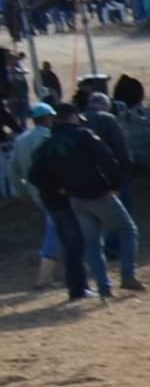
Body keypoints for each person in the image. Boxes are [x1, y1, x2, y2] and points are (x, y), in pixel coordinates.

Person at [27, 99, 118, 302]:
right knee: (75, 244)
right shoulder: (63, 141)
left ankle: (76, 286)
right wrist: (62, 188)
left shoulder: (44, 145)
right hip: (66, 201)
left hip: (51, 202)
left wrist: (52, 188)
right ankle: (78, 288)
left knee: (70, 244)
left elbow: (33, 175)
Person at [65, 82, 142, 297]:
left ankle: (103, 286)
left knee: (92, 241)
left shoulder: (76, 124)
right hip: (105, 185)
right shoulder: (107, 119)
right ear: (104, 105)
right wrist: (124, 176)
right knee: (126, 227)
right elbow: (120, 149)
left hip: (78, 192)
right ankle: (127, 274)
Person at [7, 101, 60, 291]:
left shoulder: (21, 140)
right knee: (57, 229)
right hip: (56, 191)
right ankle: (45, 276)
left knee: (57, 227)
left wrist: (22, 193)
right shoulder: (50, 137)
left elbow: (12, 170)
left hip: (35, 193)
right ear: (47, 118)